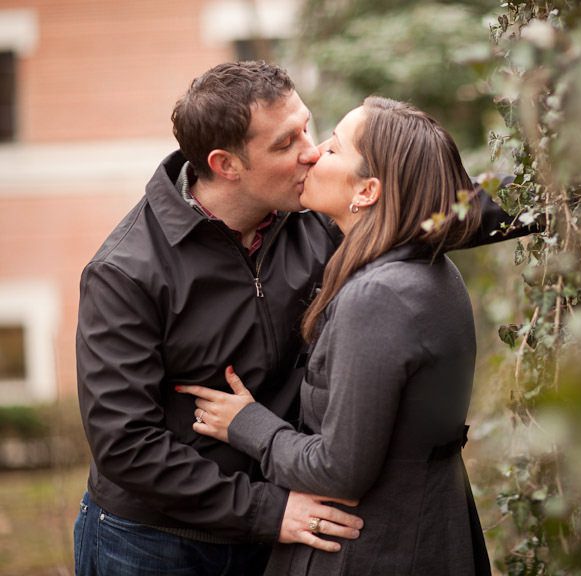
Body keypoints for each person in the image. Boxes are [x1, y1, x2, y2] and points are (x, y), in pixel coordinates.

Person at [75, 62, 527, 575]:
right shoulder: (126, 272)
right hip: (158, 544)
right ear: (227, 164)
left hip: (284, 525)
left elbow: (424, 206)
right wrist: (269, 510)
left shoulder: (316, 216)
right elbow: (126, 445)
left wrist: (555, 196)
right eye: (287, 142)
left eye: (309, 128)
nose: (311, 151)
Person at [178, 96, 495, 575]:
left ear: (366, 191)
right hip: (427, 534)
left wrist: (246, 423)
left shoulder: (380, 296)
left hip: (371, 551)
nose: (313, 152)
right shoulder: (433, 270)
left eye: (333, 147)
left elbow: (337, 471)